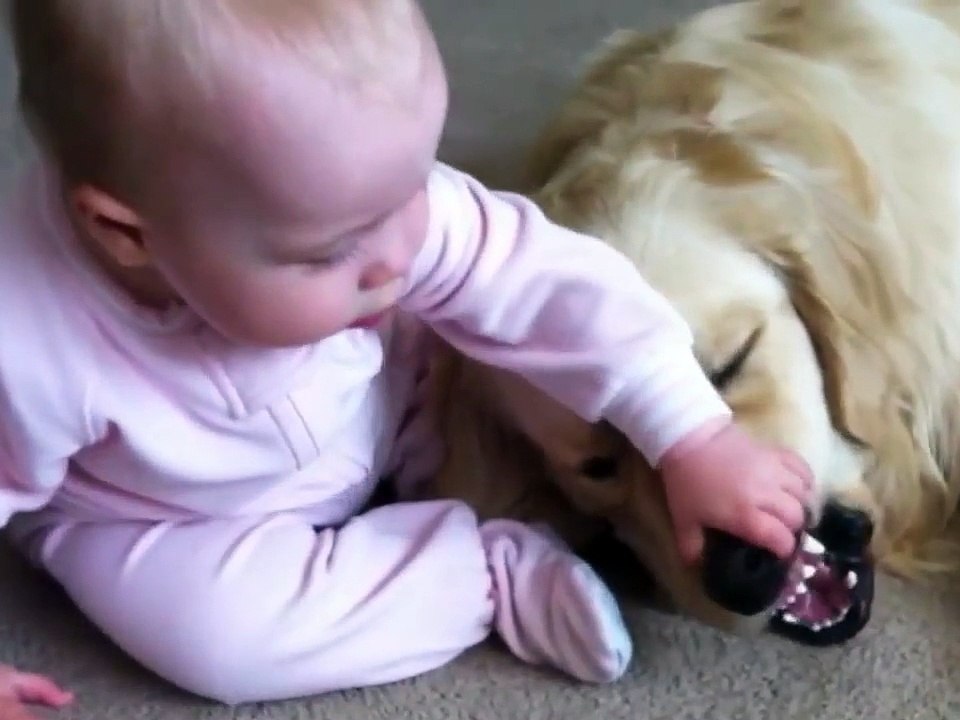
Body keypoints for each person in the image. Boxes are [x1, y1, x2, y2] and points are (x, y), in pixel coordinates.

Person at [0, 0, 814, 710]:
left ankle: (438, 468)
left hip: (382, 390)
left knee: (534, 335)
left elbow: (547, 284)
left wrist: (691, 431)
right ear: (126, 232)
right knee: (217, 642)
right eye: (330, 248)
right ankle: (480, 574)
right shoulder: (25, 337)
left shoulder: (363, 213)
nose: (399, 251)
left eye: (411, 186)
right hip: (169, 516)